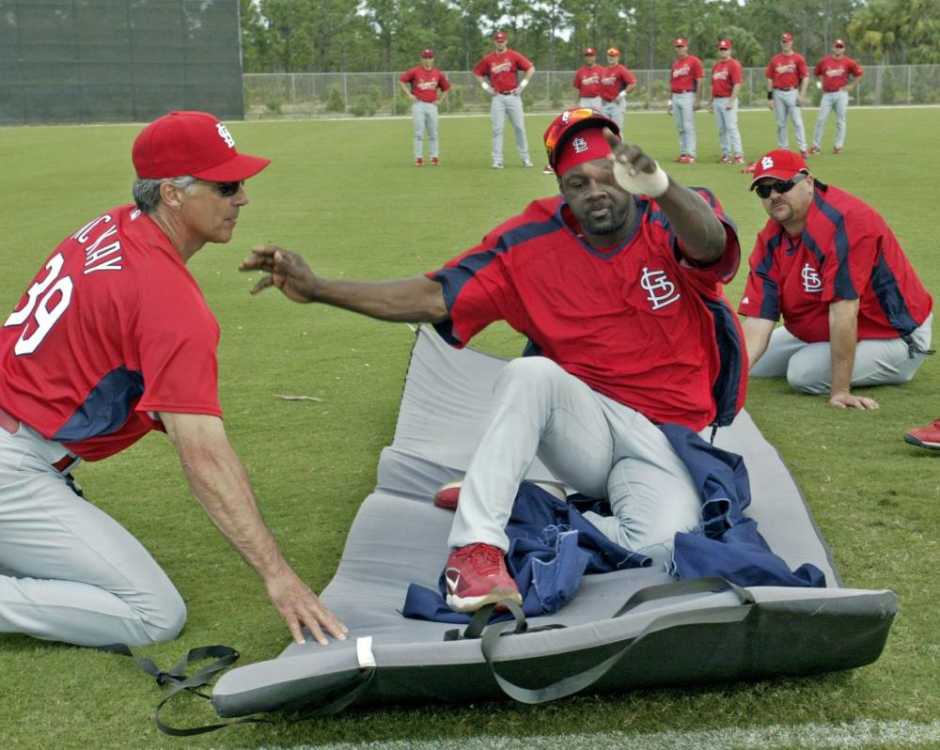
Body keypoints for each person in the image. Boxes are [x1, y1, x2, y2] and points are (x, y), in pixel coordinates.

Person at [240, 107, 746, 613]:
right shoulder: (528, 242)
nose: (595, 191)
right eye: (576, 183)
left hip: (665, 438)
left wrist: (661, 186)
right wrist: (319, 288)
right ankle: (476, 547)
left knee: (657, 548)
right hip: (582, 425)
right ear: (561, 188)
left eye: (606, 176)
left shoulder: (672, 210)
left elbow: (712, 246)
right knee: (531, 374)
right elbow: (435, 297)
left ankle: (513, 496)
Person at [0, 111, 348, 648]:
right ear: (172, 193)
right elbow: (203, 457)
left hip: (16, 436)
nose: (243, 198)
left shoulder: (113, 222)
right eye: (226, 185)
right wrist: (280, 577)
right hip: (13, 468)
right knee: (153, 614)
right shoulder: (168, 302)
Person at [739, 149, 933, 409]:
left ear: (807, 182)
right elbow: (759, 317)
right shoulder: (771, 238)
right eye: (764, 190)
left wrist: (840, 390)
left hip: (894, 335)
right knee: (743, 361)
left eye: (782, 185)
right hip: (830, 327)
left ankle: (895, 365)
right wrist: (732, 382)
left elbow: (844, 311)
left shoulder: (846, 222)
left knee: (803, 372)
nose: (774, 195)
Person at [473, 30, 535, 169]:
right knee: (497, 130)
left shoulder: (513, 55)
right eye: (497, 41)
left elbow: (530, 68)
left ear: (506, 41)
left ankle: (525, 158)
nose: (500, 43)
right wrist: (486, 87)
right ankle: (497, 160)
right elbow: (477, 72)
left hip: (513, 96)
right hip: (498, 98)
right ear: (494, 42)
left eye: (502, 41)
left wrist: (522, 86)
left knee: (519, 128)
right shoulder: (489, 59)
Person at [398, 48, 451, 167]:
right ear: (421, 59)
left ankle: (434, 157)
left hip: (432, 105)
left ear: (433, 59)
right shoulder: (415, 71)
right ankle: (419, 158)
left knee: (433, 133)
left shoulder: (437, 73)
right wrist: (409, 94)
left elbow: (446, 87)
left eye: (429, 57)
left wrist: (441, 100)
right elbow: (402, 80)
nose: (427, 60)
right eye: (425, 58)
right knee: (419, 132)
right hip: (419, 104)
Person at [811, 39, 863, 155]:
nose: (838, 49)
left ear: (843, 49)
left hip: (841, 93)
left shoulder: (849, 62)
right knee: (821, 120)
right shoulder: (824, 61)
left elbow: (859, 73)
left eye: (841, 47)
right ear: (833, 48)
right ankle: (816, 146)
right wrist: (821, 85)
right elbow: (817, 73)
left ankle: (838, 146)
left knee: (840, 121)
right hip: (827, 94)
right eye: (837, 46)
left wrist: (852, 86)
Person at [766, 32, 810, 158]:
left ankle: (803, 148)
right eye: (784, 41)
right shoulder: (775, 59)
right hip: (778, 93)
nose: (786, 43)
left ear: (792, 42)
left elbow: (806, 77)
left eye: (788, 41)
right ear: (781, 43)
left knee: (797, 121)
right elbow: (769, 78)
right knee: (781, 123)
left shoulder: (798, 58)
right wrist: (769, 97)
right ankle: (783, 149)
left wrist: (802, 95)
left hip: (792, 92)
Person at [708, 39, 745, 165]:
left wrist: (731, 100)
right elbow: (713, 85)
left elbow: (737, 84)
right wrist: (711, 102)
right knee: (721, 129)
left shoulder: (734, 64)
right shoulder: (716, 66)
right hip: (717, 100)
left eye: (725, 49)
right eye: (721, 49)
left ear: (730, 50)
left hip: (728, 99)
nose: (723, 51)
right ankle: (726, 155)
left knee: (732, 128)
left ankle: (738, 155)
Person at [669, 38, 704, 164]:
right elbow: (672, 83)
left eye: (682, 46)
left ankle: (691, 154)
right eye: (678, 47)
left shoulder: (694, 61)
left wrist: (698, 99)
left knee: (688, 126)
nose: (680, 49)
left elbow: (700, 80)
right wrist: (670, 102)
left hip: (688, 95)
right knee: (680, 127)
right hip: (676, 96)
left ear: (686, 47)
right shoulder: (675, 64)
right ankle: (684, 153)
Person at [598, 47, 637, 132]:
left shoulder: (621, 69)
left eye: (613, 56)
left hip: (617, 104)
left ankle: (619, 146)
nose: (611, 58)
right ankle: (606, 146)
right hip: (605, 104)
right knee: (605, 131)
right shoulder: (604, 70)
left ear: (618, 57)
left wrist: (621, 95)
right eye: (610, 56)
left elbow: (633, 83)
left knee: (616, 131)